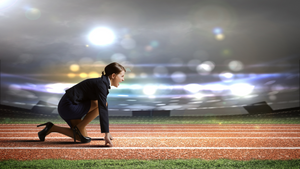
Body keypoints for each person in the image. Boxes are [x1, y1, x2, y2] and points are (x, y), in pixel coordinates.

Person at [36, 62, 126, 146]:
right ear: (113, 75)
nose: (123, 79)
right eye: (122, 76)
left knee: (81, 137)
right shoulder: (101, 84)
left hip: (66, 107)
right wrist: (107, 132)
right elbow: (102, 108)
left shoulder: (101, 83)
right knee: (104, 104)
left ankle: (52, 128)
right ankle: (79, 127)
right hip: (69, 106)